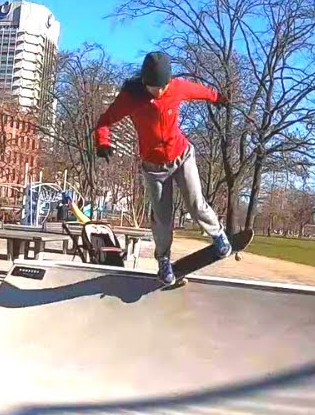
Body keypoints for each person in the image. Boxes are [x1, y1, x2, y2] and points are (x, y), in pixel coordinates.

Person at [93, 51, 231, 285]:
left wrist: (218, 98)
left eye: (162, 87)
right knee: (162, 218)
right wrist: (103, 142)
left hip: (182, 156)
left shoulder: (177, 87)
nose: (159, 92)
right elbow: (105, 121)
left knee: (196, 204)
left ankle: (218, 234)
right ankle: (163, 260)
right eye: (153, 88)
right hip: (154, 167)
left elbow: (201, 92)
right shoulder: (131, 98)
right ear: (144, 82)